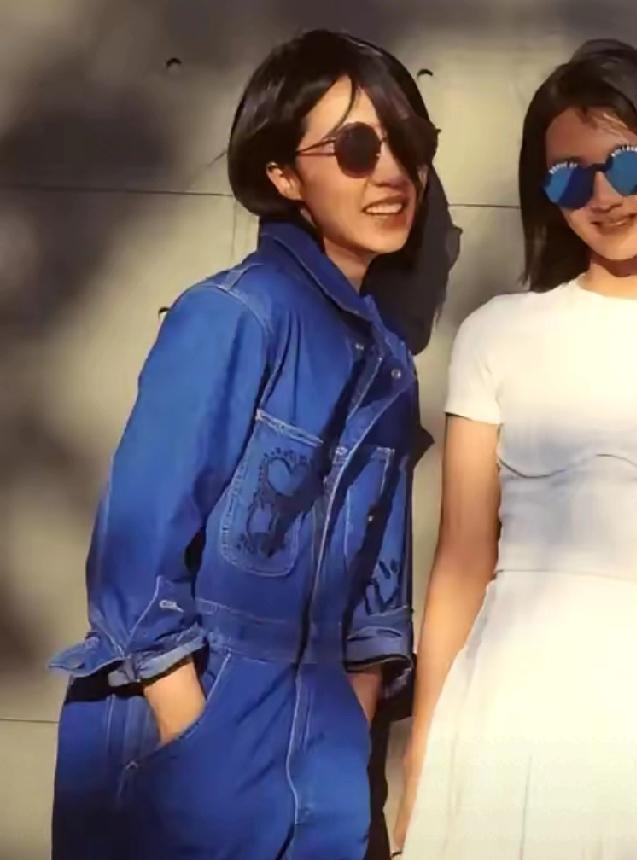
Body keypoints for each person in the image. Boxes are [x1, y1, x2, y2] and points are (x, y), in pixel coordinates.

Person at [396, 38, 637, 860]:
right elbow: (460, 563)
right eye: (569, 178)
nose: (603, 198)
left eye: (625, 165)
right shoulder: (496, 335)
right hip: (508, 710)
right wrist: (420, 770)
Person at [49, 29, 438, 860]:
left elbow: (378, 595)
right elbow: (135, 554)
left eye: (408, 143)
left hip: (323, 768)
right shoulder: (233, 315)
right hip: (195, 739)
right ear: (283, 174)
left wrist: (351, 724)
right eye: (357, 148)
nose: (392, 173)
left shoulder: (390, 366)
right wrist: (196, 740)